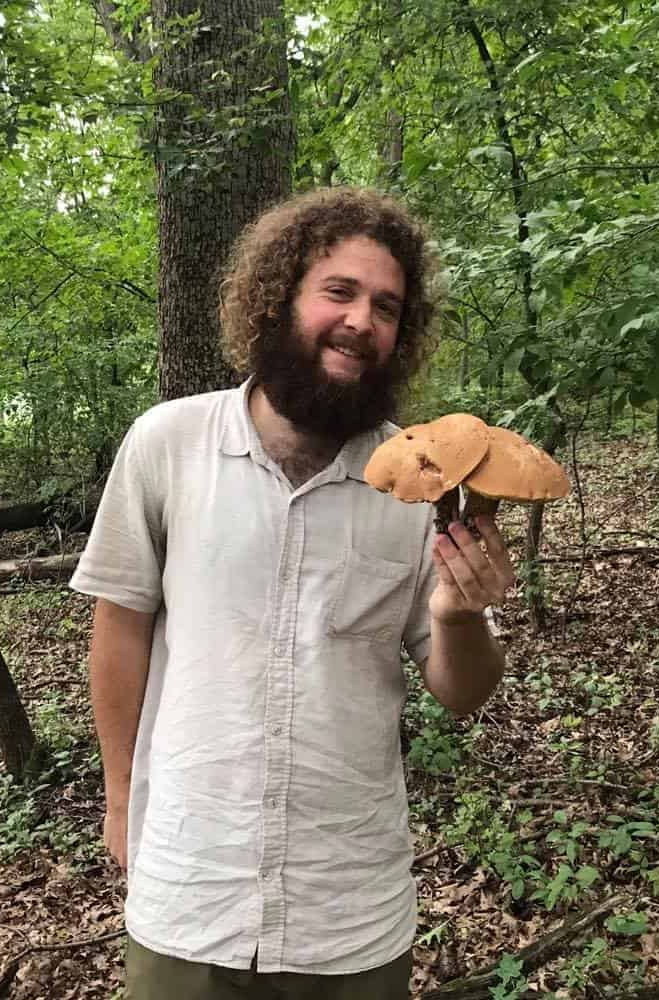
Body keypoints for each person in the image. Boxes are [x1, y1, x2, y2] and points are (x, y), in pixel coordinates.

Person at [69, 187, 514, 1000]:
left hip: (348, 913)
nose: (361, 321)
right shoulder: (168, 443)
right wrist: (121, 796)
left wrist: (459, 617)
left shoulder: (421, 480)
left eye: (386, 307)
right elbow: (120, 629)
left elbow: (463, 691)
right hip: (188, 891)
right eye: (338, 292)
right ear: (278, 300)